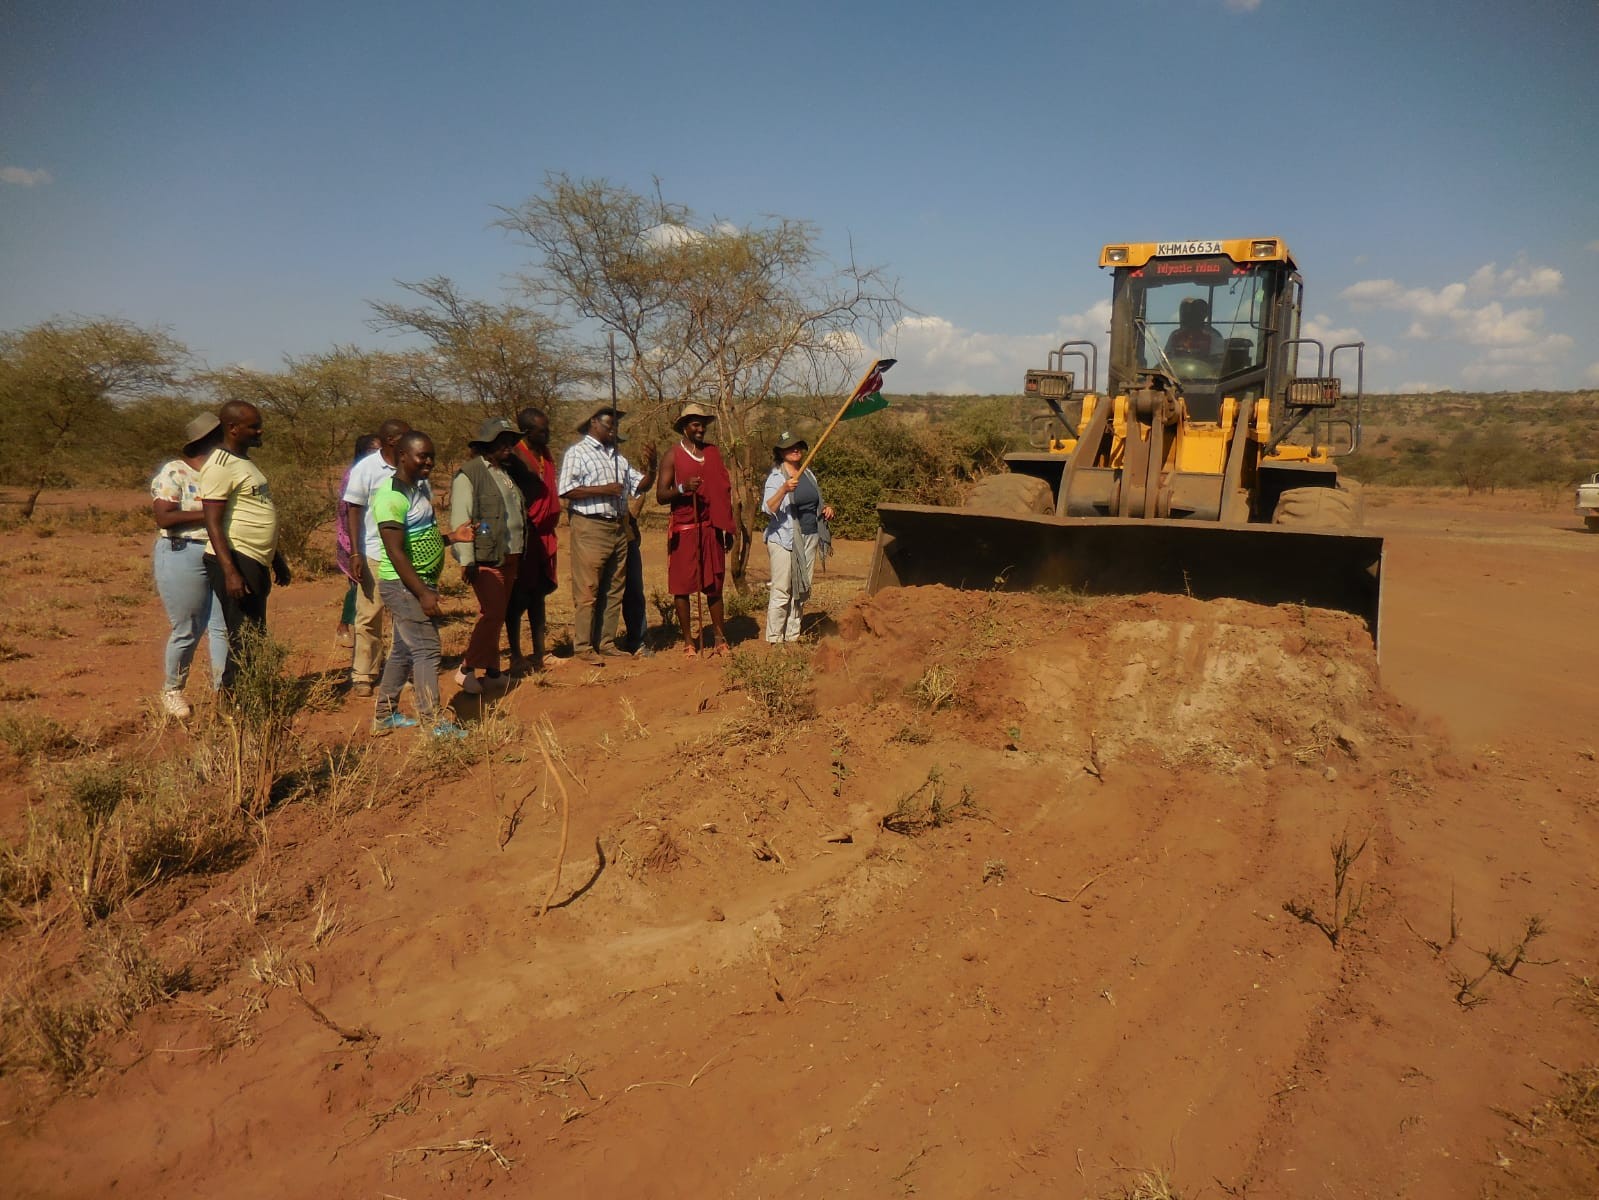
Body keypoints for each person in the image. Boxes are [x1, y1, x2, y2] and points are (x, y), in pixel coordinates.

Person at [371, 431, 474, 738]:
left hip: (415, 584)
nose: (429, 461)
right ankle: (432, 723)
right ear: (402, 456)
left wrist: (452, 538)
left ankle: (384, 715)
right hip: (403, 587)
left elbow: (419, 538)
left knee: (403, 652)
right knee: (428, 649)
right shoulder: (391, 497)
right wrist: (422, 592)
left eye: (432, 455)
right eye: (422, 456)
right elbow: (395, 551)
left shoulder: (416, 490)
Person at [200, 401, 291, 689]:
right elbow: (212, 522)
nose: (259, 430)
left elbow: (254, 510)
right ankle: (234, 705)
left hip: (255, 559)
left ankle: (249, 695)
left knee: (254, 633)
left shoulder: (245, 462)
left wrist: (276, 559)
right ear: (233, 428)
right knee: (244, 636)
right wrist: (230, 572)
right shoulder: (219, 465)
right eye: (253, 426)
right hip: (237, 558)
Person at [556, 406, 656, 666]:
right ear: (593, 423)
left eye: (615, 426)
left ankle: (607, 642)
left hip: (618, 527)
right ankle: (583, 646)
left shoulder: (618, 458)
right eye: (609, 424)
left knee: (614, 588)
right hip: (590, 526)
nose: (613, 429)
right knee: (588, 588)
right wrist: (604, 489)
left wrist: (652, 467)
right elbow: (566, 489)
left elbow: (639, 485)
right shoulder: (578, 453)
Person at [149, 412, 229, 718]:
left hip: (218, 551)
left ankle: (224, 690)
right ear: (211, 439)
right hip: (183, 551)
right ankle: (173, 689)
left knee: (223, 626)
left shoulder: (222, 472)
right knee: (189, 627)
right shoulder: (176, 472)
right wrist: (212, 514)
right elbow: (164, 517)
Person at [450, 417, 527, 694]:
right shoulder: (469, 474)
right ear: (487, 444)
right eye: (502, 441)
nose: (509, 446)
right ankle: (466, 668)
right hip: (485, 558)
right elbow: (462, 518)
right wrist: (467, 559)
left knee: (498, 614)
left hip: (509, 555)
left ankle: (493, 672)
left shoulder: (504, 473)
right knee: (492, 613)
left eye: (511, 441)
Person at [655, 401, 736, 657]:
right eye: (695, 424)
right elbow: (660, 495)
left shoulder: (712, 453)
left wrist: (726, 527)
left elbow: (722, 492)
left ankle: (720, 638)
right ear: (684, 427)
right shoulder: (673, 455)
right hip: (684, 528)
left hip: (710, 528)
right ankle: (689, 641)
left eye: (703, 425)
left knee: (714, 586)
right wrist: (682, 488)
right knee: (682, 587)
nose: (700, 429)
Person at [341, 418, 412, 697]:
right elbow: (354, 510)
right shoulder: (367, 468)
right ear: (393, 440)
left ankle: (399, 672)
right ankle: (363, 674)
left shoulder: (413, 465)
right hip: (373, 552)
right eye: (406, 436)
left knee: (403, 617)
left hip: (405, 554)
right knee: (369, 615)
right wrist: (355, 552)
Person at [503, 406, 561, 673]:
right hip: (525, 535)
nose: (547, 434)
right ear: (527, 432)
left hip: (546, 535)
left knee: (539, 595)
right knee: (518, 596)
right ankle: (516, 654)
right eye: (542, 430)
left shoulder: (545, 455)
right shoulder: (515, 457)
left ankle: (540, 652)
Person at [762, 432, 833, 645]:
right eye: (790, 447)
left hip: (810, 536)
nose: (796, 450)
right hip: (784, 538)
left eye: (798, 446)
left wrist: (826, 509)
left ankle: (792, 636)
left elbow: (814, 503)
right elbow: (768, 508)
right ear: (781, 452)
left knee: (801, 589)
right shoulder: (776, 477)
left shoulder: (808, 474)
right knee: (783, 589)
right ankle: (775, 638)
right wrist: (784, 489)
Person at [335, 433, 381, 650]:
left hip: (373, 539)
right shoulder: (354, 474)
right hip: (353, 540)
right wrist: (353, 547)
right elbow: (347, 511)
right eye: (373, 450)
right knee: (358, 586)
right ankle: (344, 626)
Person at [1164, 297, 1226, 363]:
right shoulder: (1175, 335)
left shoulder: (1213, 336)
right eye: (1184, 311)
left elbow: (1218, 362)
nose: (1187, 314)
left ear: (1204, 315)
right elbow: (1167, 359)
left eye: (1193, 310)